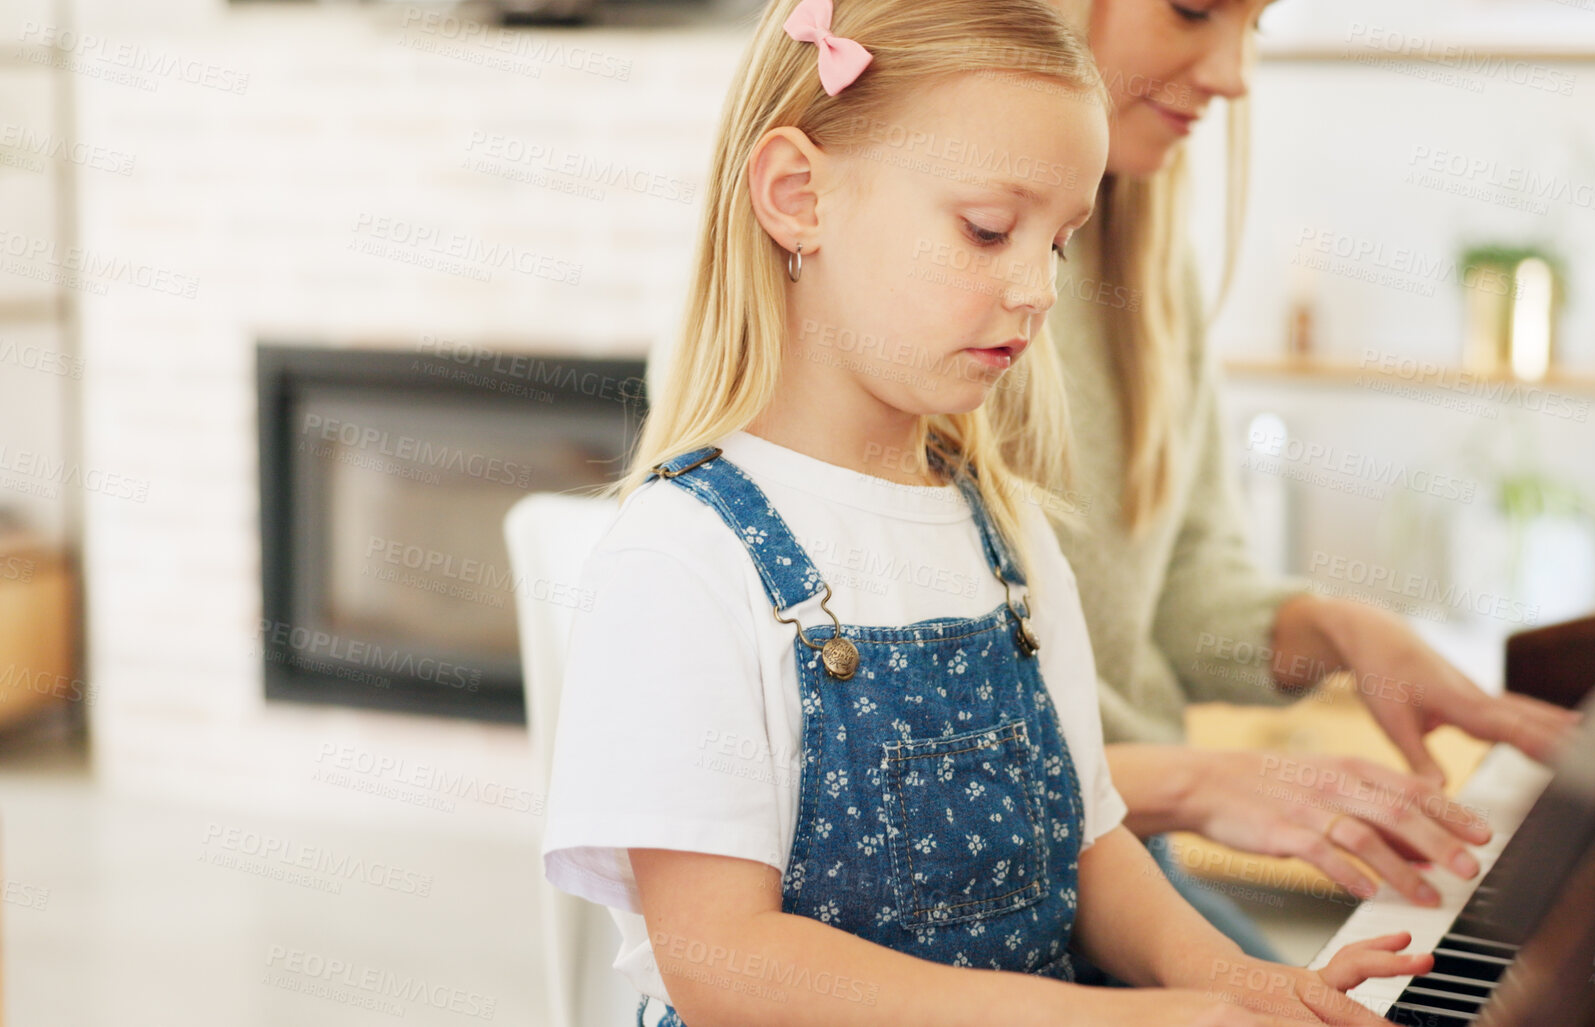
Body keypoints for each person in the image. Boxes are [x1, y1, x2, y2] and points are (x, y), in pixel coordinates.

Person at [539, 0, 1429, 1023]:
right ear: (798, 197)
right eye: (990, 229)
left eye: (1058, 242)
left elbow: (1093, 850)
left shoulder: (1005, 533)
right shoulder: (682, 557)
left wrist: (1241, 983)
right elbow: (723, 959)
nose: (1040, 287)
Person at [1042, 0, 1583, 957]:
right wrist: (1196, 781)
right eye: (1192, 10)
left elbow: (1175, 590)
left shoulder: (1140, 248)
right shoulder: (928, 285)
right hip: (1017, 883)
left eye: (1255, 26)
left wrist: (1337, 630)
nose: (1233, 75)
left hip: (1129, 855)